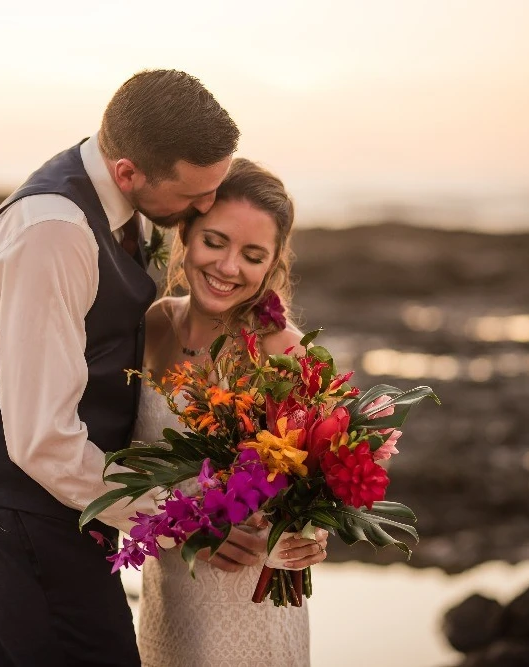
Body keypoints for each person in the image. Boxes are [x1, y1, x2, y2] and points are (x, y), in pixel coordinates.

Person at [0, 70, 253, 667]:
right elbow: (42, 440)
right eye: (194, 194)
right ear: (128, 170)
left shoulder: (120, 204)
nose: (206, 207)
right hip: (17, 509)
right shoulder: (52, 233)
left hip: (60, 507)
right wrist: (184, 521)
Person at [134, 159, 329, 666]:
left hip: (249, 609)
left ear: (272, 264)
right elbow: (126, 466)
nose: (227, 268)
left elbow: (323, 474)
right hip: (167, 601)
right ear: (185, 235)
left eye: (252, 254)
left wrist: (314, 533)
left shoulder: (284, 352)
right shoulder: (154, 325)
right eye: (215, 241)